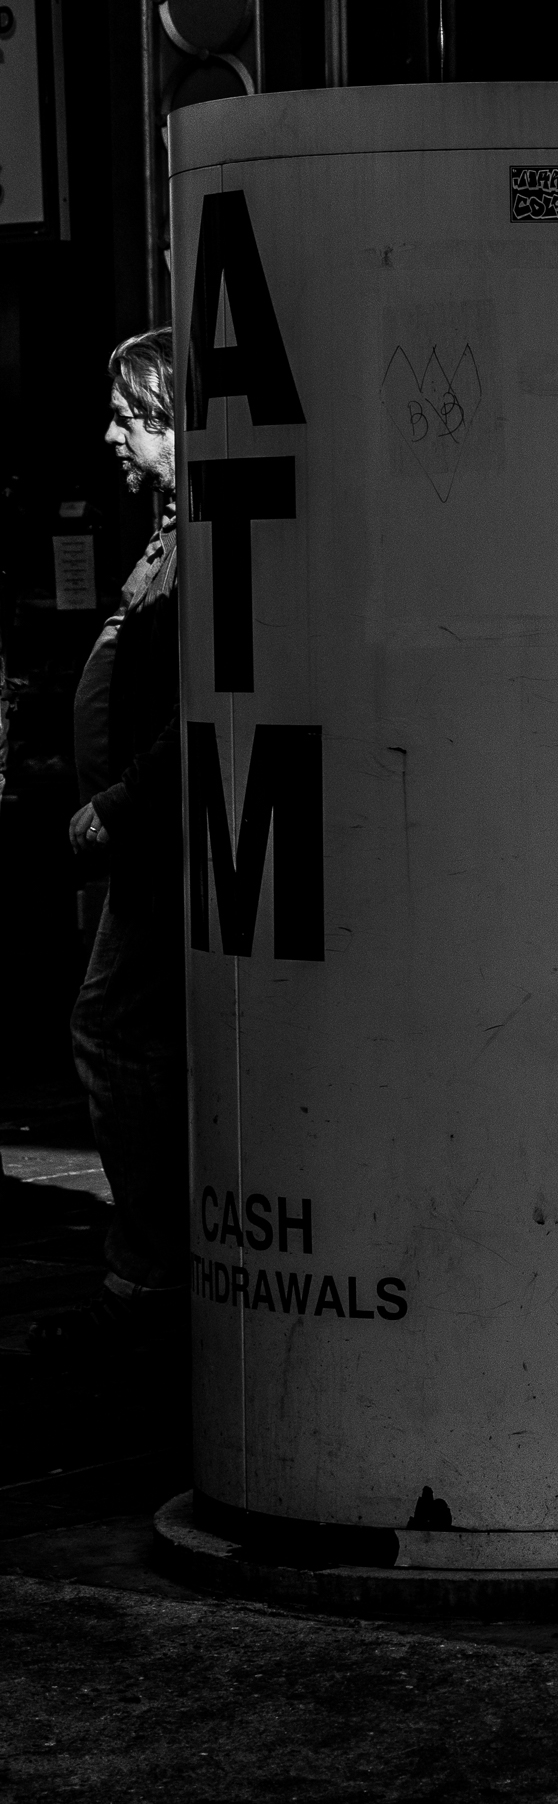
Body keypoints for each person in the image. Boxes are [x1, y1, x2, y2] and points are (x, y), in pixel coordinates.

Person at [30, 330, 187, 1365]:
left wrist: (121, 805)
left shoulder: (201, 540)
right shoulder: (171, 534)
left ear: (180, 425)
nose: (111, 434)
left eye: (132, 416)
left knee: (112, 1031)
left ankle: (150, 1275)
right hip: (146, 843)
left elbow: (202, 707)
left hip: (158, 847)